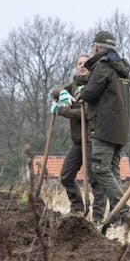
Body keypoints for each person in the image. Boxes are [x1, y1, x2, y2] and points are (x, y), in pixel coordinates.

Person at [81, 30, 130, 228]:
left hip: (104, 127)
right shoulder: (122, 68)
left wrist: (81, 92)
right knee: (112, 170)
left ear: (97, 48)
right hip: (120, 127)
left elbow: (90, 93)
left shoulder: (103, 66)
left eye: (92, 47)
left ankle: (124, 211)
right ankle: (120, 218)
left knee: (100, 168)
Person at [50, 54, 91, 216]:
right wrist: (62, 94)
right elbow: (54, 91)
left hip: (91, 140)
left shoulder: (94, 86)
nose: (82, 66)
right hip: (77, 141)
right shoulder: (72, 86)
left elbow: (85, 113)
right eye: (79, 63)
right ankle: (77, 209)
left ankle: (99, 215)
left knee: (95, 179)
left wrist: (62, 110)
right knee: (66, 175)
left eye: (86, 64)